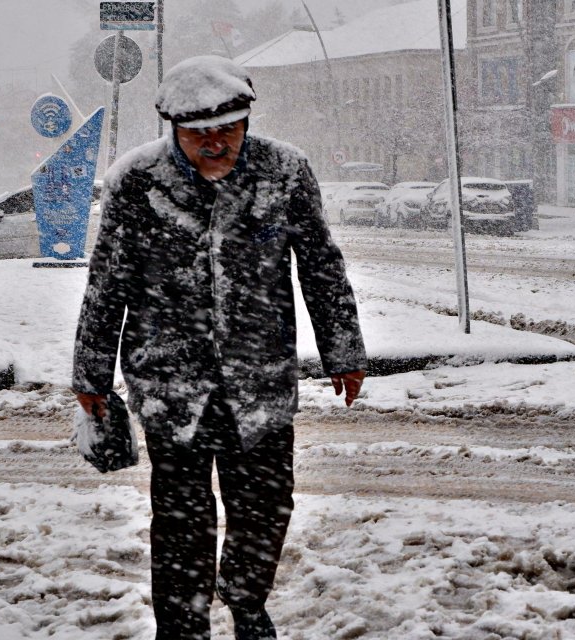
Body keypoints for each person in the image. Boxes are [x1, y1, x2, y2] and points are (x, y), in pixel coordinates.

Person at [74, 56, 367, 640]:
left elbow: (321, 266)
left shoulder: (284, 172)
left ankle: (247, 603)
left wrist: (345, 352)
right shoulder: (136, 180)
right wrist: (91, 372)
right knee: (180, 519)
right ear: (173, 129)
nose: (216, 144)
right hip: (168, 383)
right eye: (199, 134)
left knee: (264, 507)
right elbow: (107, 280)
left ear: (247, 121)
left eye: (228, 130)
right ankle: (182, 627)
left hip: (260, 380)